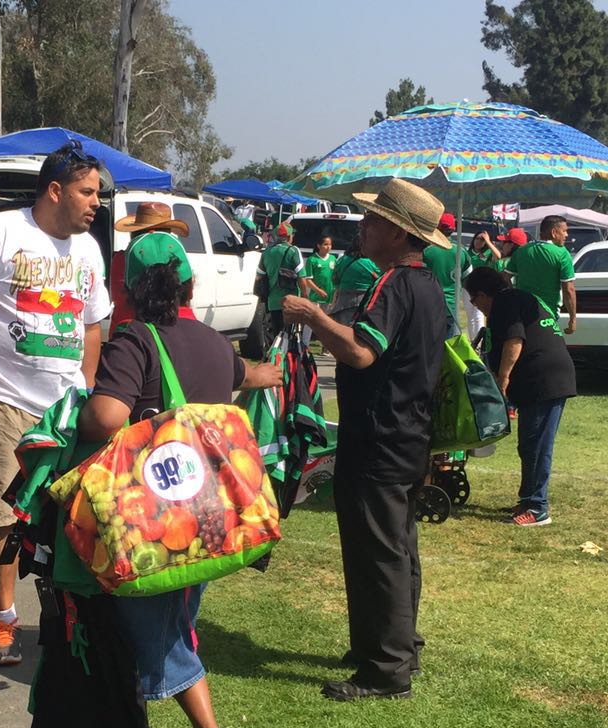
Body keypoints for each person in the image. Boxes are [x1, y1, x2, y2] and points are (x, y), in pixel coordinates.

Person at [78, 241, 280, 728]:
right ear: (189, 287)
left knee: (146, 636)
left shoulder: (135, 341)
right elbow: (249, 376)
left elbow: (106, 416)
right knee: (170, 622)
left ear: (128, 291)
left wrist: (82, 408)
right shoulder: (216, 343)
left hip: (152, 523)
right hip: (208, 523)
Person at [0, 141, 112, 668]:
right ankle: (5, 621)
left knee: (69, 512)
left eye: (98, 194)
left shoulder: (87, 250)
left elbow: (92, 323)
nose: (95, 203)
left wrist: (86, 387)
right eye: (87, 192)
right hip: (2, 399)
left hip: (64, 409)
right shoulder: (2, 232)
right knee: (1, 513)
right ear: (55, 190)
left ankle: (62, 612)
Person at [281, 178, 448, 701]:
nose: (364, 227)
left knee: (377, 552)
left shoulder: (393, 284)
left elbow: (360, 353)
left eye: (374, 220)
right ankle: (397, 645)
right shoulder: (430, 288)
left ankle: (385, 669)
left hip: (379, 437)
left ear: (400, 233)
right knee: (397, 548)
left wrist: (313, 316)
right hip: (409, 434)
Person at [463, 267, 576, 527]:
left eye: (474, 300)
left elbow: (515, 339)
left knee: (537, 444)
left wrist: (503, 378)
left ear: (482, 294)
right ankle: (528, 499)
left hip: (544, 378)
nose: (475, 307)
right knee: (528, 443)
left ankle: (538, 507)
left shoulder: (505, 302)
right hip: (544, 376)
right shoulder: (519, 297)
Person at [109, 201, 192, 333]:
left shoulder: (120, 260)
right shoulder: (177, 259)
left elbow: (119, 299)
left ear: (134, 232)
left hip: (126, 333)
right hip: (171, 331)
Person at [243, 221, 307, 359]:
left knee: (277, 335)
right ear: (289, 237)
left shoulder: (267, 253)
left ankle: (276, 361)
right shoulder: (293, 251)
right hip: (292, 303)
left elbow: (259, 277)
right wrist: (306, 298)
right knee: (291, 336)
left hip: (273, 302)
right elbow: (302, 278)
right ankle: (288, 363)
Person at [506, 214, 577, 335]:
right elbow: (568, 289)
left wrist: (513, 295)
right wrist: (573, 319)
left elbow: (504, 277)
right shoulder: (562, 253)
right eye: (564, 231)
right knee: (545, 348)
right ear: (554, 232)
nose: (566, 235)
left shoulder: (522, 250)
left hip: (521, 310)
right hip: (548, 313)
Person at [422, 212, 470, 337]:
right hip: (451, 308)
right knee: (448, 349)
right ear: (453, 229)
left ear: (437, 228)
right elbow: (467, 278)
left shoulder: (426, 251)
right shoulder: (461, 251)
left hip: (428, 306)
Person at [304, 234, 338, 307]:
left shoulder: (333, 258)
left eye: (330, 244)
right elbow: (308, 280)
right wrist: (318, 291)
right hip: (316, 299)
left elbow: (336, 277)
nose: (328, 247)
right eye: (325, 244)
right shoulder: (312, 259)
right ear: (319, 246)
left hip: (330, 299)